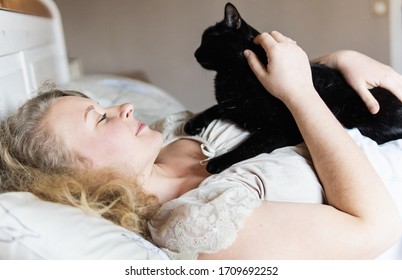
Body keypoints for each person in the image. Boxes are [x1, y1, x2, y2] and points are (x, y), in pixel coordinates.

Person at [0, 31, 401, 259]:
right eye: (100, 117)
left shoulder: (169, 135)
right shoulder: (198, 226)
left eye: (104, 104)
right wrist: (300, 94)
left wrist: (336, 58)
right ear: (77, 176)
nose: (124, 107)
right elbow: (376, 228)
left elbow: (263, 101)